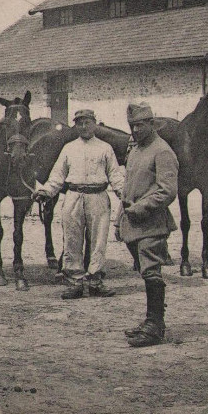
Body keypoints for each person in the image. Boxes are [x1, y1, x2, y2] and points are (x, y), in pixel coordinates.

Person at [32, 109, 123, 299]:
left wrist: (124, 193)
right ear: (75, 125)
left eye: (87, 122)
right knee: (72, 239)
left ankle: (96, 280)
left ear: (94, 124)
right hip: (73, 196)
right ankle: (75, 282)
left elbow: (115, 175)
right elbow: (57, 175)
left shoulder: (105, 148)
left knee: (98, 241)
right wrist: (46, 191)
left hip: (98, 196)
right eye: (79, 123)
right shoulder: (69, 148)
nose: (83, 126)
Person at [118, 103, 179, 348]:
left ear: (152, 124)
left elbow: (167, 191)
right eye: (132, 126)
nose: (135, 130)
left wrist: (140, 208)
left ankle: (155, 326)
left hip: (152, 222)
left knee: (152, 272)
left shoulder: (162, 151)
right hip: (133, 222)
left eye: (140, 125)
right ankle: (151, 320)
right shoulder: (136, 150)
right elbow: (128, 187)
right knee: (146, 272)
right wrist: (120, 218)